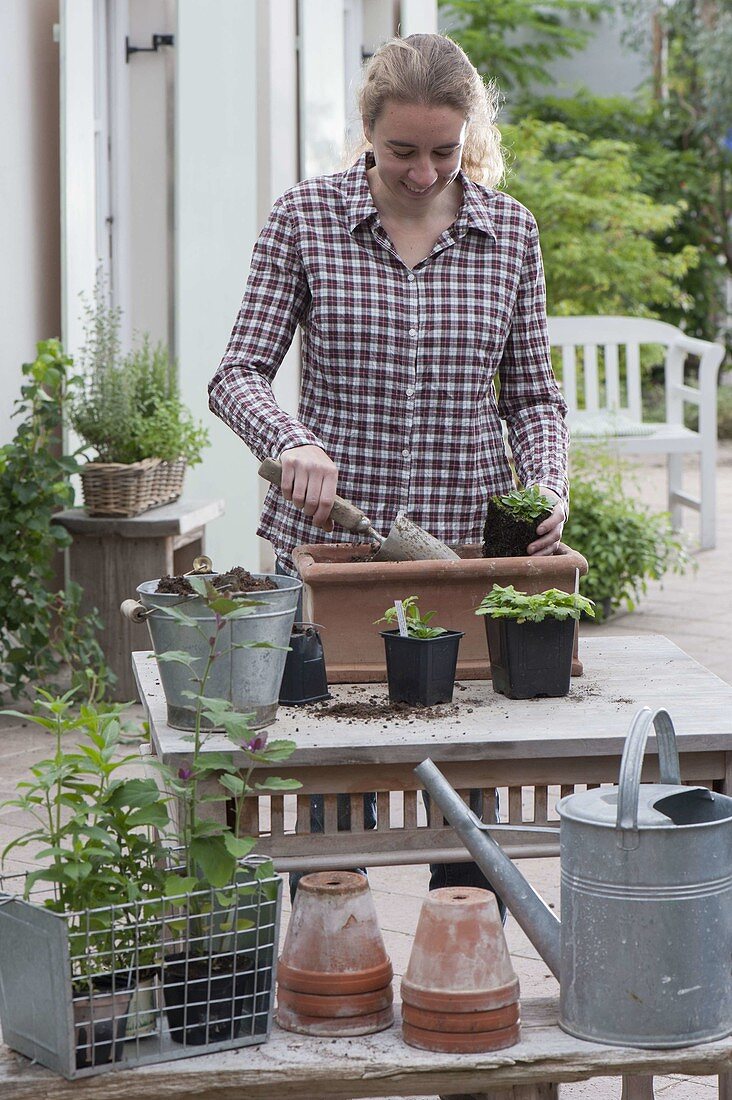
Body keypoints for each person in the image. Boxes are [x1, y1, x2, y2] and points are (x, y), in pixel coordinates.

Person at [208, 34, 569, 909]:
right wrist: (289, 440)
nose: (422, 172)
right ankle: (335, 981)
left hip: (458, 561)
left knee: (471, 807)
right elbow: (237, 374)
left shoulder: (508, 232)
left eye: (443, 152)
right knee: (331, 792)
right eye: (402, 151)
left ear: (467, 135)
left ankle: (464, 976)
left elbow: (534, 398)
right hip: (326, 562)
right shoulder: (305, 220)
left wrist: (549, 486)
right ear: (368, 131)